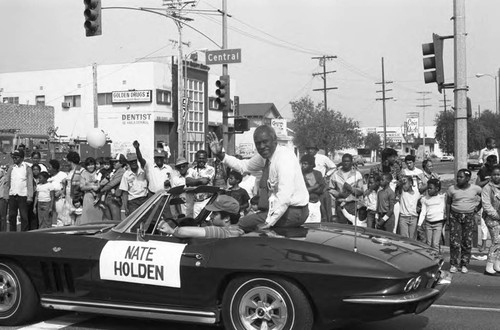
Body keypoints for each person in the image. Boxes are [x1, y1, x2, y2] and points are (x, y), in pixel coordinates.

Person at [207, 125, 309, 231]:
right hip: (283, 211)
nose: (262, 146)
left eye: (265, 142)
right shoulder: (266, 157)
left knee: (242, 224)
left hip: (293, 212)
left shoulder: (284, 158)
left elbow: (284, 196)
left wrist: (269, 222)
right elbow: (243, 166)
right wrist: (220, 155)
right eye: (258, 143)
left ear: (275, 140)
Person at [446, 169, 482, 274]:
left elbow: (484, 198)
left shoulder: (476, 189)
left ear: (467, 178)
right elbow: (448, 203)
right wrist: (448, 218)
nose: (458, 179)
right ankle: (453, 264)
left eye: (461, 177)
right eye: (457, 176)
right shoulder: (451, 189)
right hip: (455, 216)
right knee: (454, 242)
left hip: (469, 217)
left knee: (467, 241)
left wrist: (477, 208)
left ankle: (464, 264)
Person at [158, 195, 244, 238]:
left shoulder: (220, 232)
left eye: (215, 213)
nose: (211, 216)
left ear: (226, 218)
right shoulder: (237, 229)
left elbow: (181, 231)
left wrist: (171, 230)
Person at [4, 149, 34, 232]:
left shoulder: (27, 168)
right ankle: (12, 233)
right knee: (12, 216)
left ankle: (24, 234)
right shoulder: (11, 168)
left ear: (22, 158)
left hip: (23, 196)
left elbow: (30, 183)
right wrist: (6, 195)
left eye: (16, 157)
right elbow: (7, 182)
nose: (14, 159)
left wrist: (30, 196)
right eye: (13, 157)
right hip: (12, 195)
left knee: (24, 216)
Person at [329, 153, 364, 224]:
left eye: (348, 161)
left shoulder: (357, 174)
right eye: (344, 161)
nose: (346, 163)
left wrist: (351, 189)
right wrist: (338, 194)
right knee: (342, 226)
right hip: (340, 203)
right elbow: (330, 189)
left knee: (353, 226)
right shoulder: (335, 174)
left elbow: (361, 191)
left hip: (352, 204)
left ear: (351, 162)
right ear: (342, 162)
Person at [306, 145, 336, 222]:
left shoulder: (323, 158)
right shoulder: (306, 158)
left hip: (321, 184)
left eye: (312, 149)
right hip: (310, 185)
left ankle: (328, 223)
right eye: (309, 149)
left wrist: (327, 175)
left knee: (325, 206)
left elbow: (333, 167)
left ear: (316, 150)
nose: (310, 151)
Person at [480, 165, 500, 275]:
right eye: (494, 174)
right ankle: (489, 266)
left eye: (498, 174)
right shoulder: (487, 188)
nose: (497, 176)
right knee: (496, 241)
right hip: (492, 218)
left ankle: (497, 264)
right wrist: (497, 215)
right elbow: (486, 205)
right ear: (491, 176)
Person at [475, 154, 497, 251]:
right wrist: (488, 180)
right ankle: (483, 244)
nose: (493, 164)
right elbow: (478, 184)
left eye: (495, 162)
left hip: (497, 200)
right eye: (491, 162)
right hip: (485, 199)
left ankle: (495, 244)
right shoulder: (483, 170)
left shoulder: (498, 170)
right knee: (484, 223)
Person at [186, 150, 215, 218]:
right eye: (199, 158)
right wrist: (199, 180)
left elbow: (205, 181)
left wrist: (194, 181)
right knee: (197, 224)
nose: (201, 160)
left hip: (207, 201)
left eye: (203, 158)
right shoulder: (191, 169)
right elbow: (188, 181)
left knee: (207, 223)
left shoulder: (210, 169)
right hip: (196, 202)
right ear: (196, 159)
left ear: (206, 159)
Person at [418, 179, 446, 250]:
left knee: (435, 244)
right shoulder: (425, 199)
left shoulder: (442, 198)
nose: (428, 190)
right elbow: (423, 212)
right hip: (428, 224)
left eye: (431, 188)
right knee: (428, 243)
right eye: (428, 188)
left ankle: (436, 259)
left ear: (437, 189)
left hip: (438, 224)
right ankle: (430, 259)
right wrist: (419, 224)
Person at [101, 154, 127, 221]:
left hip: (114, 198)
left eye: (116, 161)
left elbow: (112, 184)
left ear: (121, 162)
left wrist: (101, 189)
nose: (114, 163)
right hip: (108, 197)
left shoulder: (122, 172)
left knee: (116, 221)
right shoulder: (114, 171)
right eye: (113, 162)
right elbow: (104, 182)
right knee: (108, 221)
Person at [300, 153, 325, 223]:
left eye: (305, 164)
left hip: (317, 203)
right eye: (302, 163)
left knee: (316, 225)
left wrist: (310, 189)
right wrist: (315, 187)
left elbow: (322, 189)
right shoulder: (300, 175)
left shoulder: (318, 174)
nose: (303, 166)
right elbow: (302, 191)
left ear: (311, 165)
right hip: (306, 204)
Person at [79, 157, 103, 224]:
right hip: (88, 197)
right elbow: (82, 187)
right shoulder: (83, 174)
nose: (90, 166)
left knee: (98, 214)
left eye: (92, 164)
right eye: (88, 165)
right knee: (88, 214)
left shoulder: (98, 172)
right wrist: (92, 187)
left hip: (98, 196)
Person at [47, 159, 68, 226]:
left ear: (54, 168)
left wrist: (61, 192)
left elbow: (66, 186)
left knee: (60, 216)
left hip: (59, 199)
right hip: (50, 199)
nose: (48, 169)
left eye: (49, 167)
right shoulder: (48, 177)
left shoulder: (62, 175)